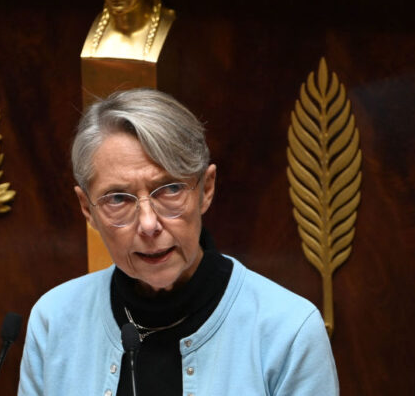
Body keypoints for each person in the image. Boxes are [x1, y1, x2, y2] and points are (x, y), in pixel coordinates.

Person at [18, 89, 339, 395]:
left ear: (206, 189)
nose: (148, 224)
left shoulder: (288, 331)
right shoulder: (54, 320)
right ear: (88, 209)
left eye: (170, 189)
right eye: (118, 198)